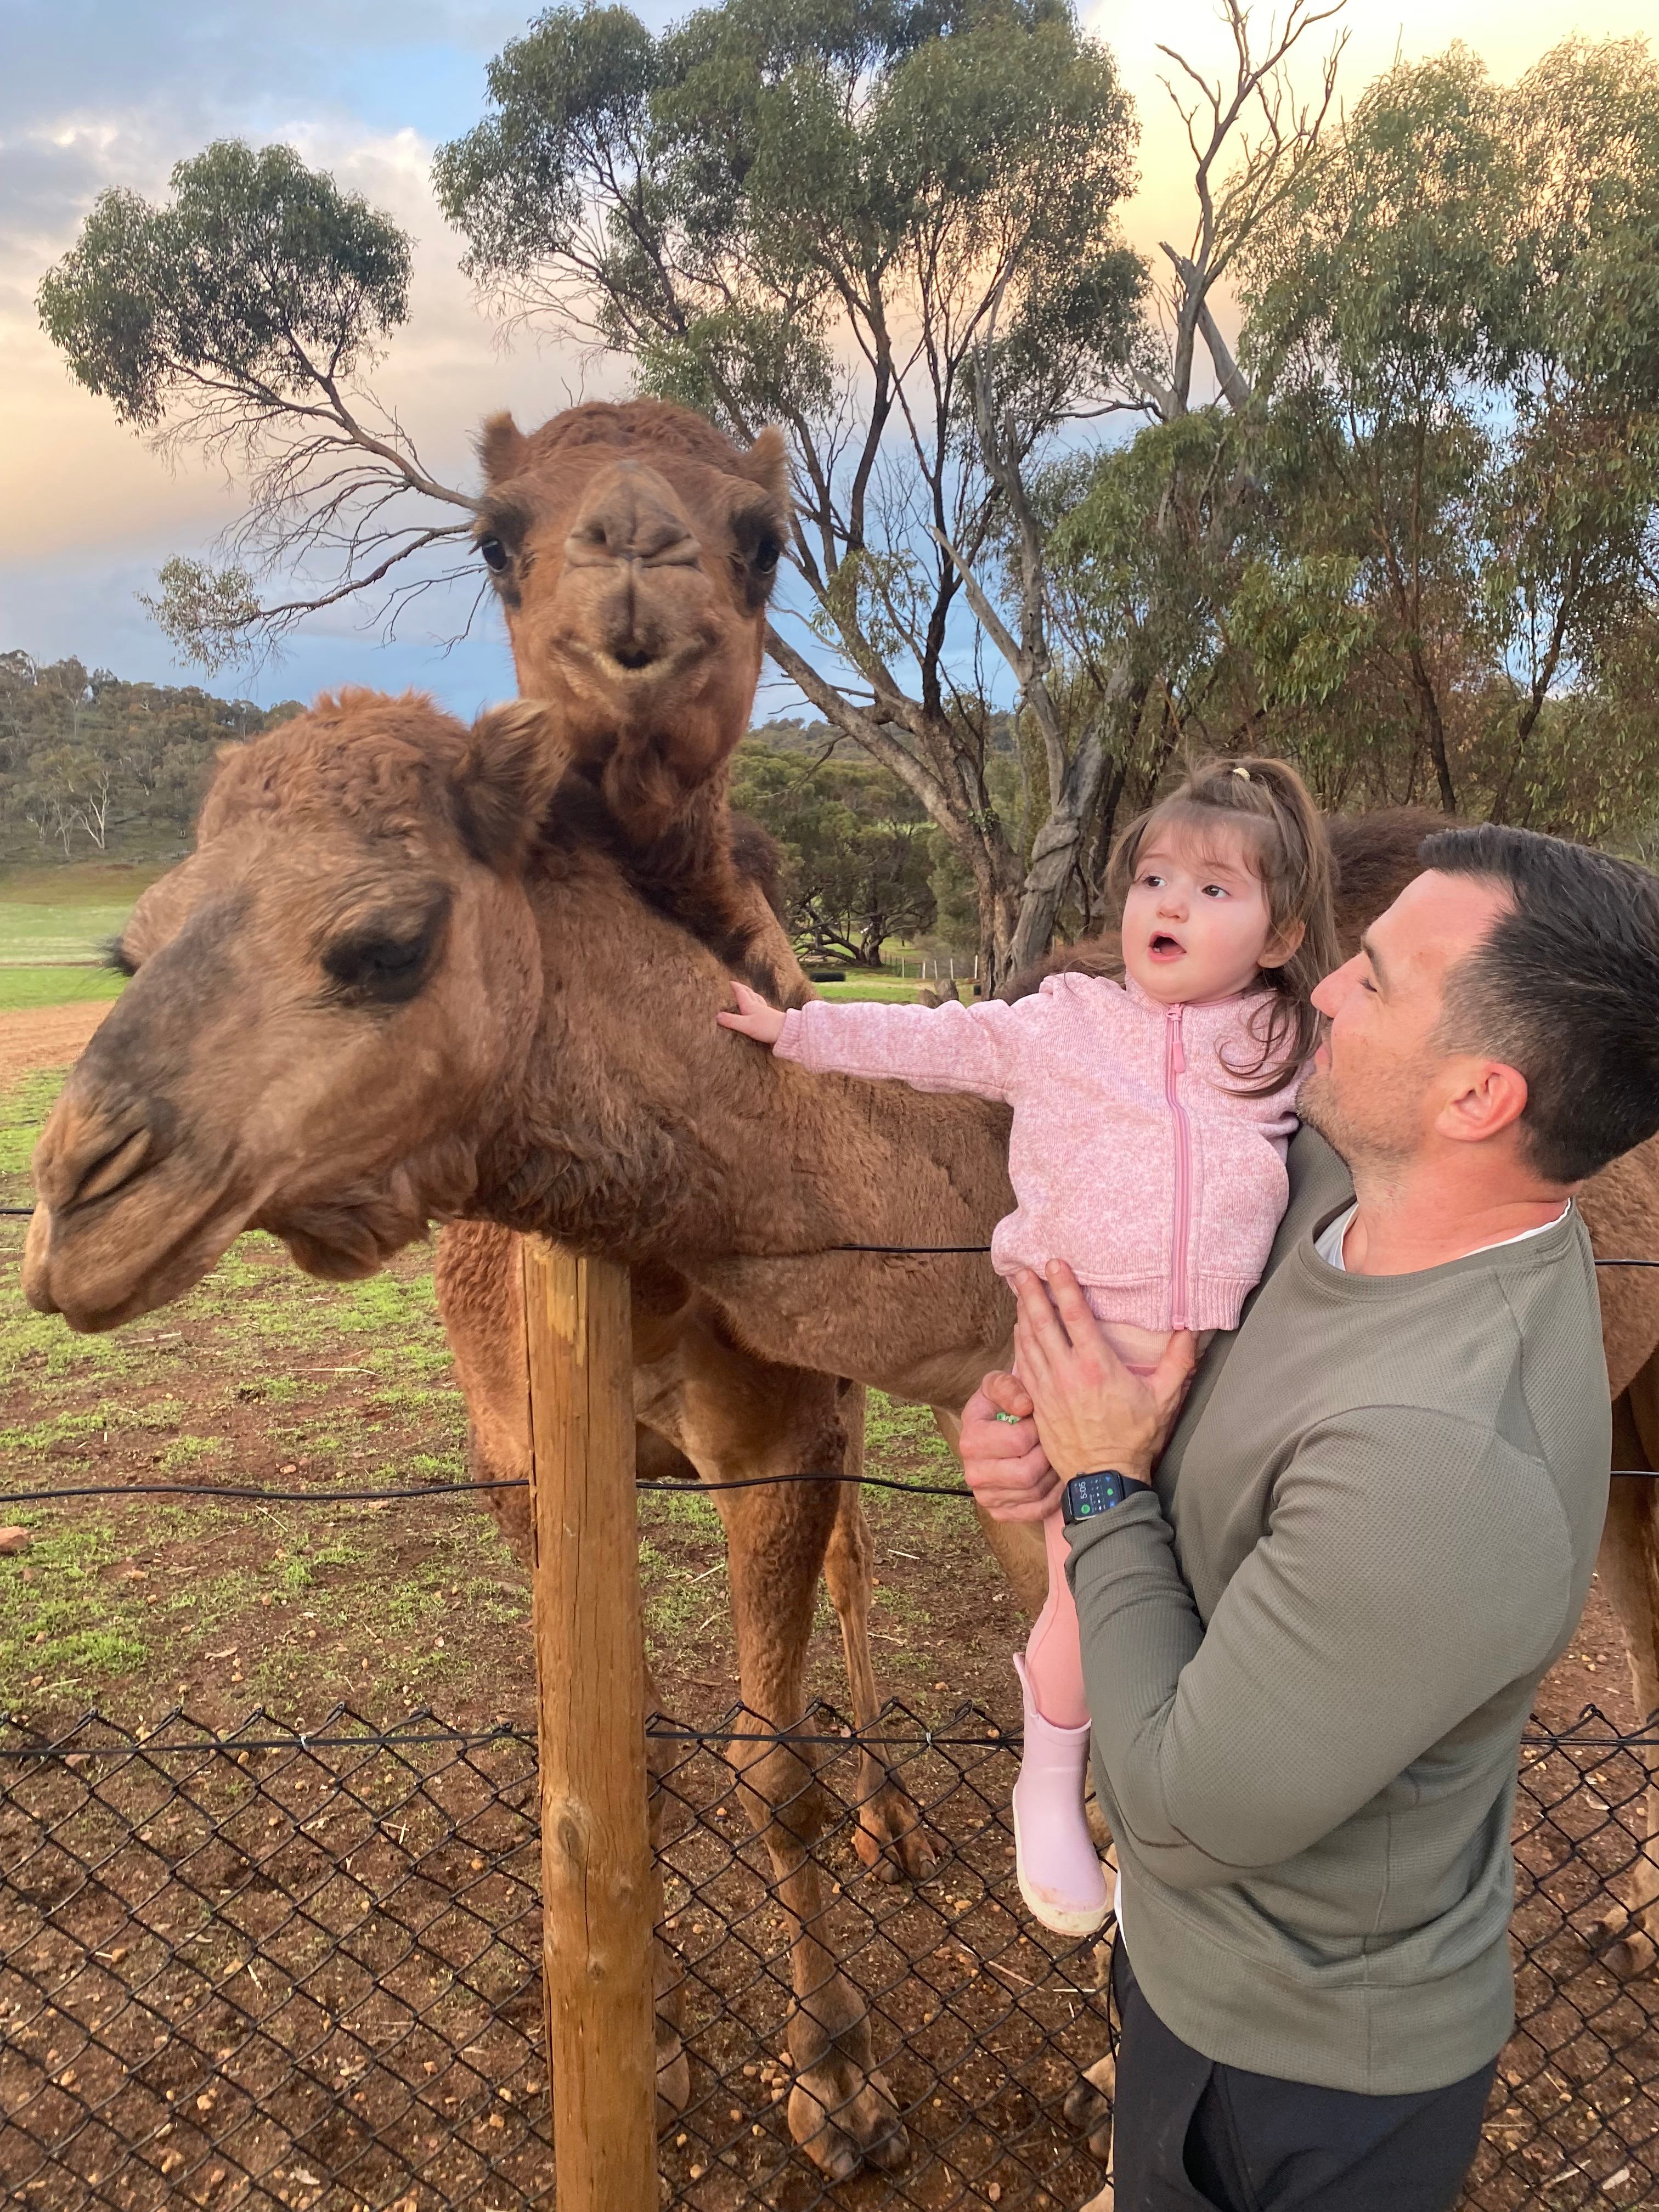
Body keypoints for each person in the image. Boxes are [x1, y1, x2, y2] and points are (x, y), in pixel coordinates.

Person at [960, 821, 1659, 2211]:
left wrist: (1103, 1489)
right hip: (1192, 1972)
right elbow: (1199, 1449)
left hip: (1305, 2074)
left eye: (1377, 982)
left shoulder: (1443, 1460)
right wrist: (1058, 1445)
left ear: (1477, 1096)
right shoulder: (1333, 1199)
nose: (1322, 989)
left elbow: (1174, 1806)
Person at [718, 757, 1338, 1936]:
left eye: (1215, 891)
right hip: (1077, 1356)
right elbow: (938, 1043)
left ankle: (1176, 1810)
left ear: (1281, 935)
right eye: (1155, 878)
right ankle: (1051, 1784)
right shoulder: (1064, 1027)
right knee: (1083, 1595)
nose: (1169, 906)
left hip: (1227, 1365)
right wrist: (793, 1032)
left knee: (1217, 1591)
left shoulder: (1288, 1043)